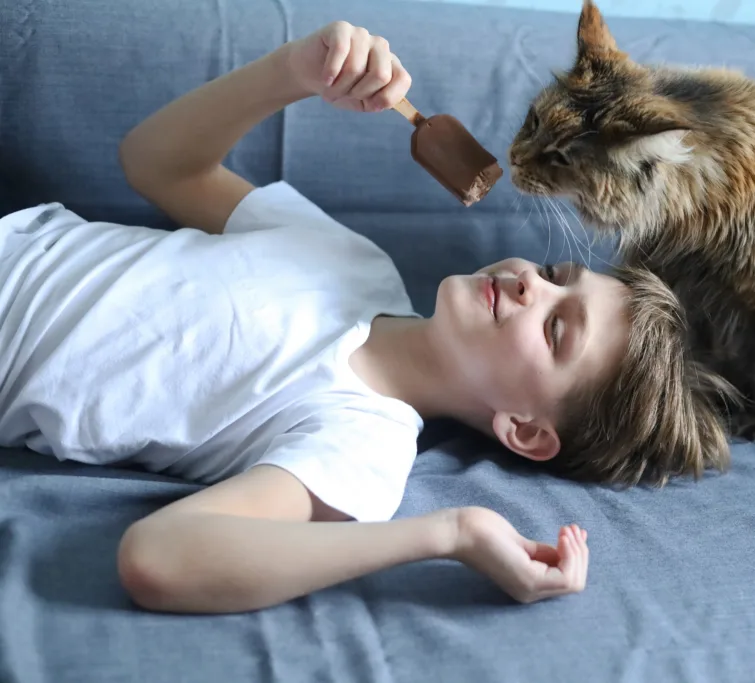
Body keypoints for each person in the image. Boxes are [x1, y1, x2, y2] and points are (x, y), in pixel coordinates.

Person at [0, 21, 697, 614]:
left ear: (523, 428)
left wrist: (451, 532)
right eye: (552, 275)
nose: (528, 286)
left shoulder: (362, 449)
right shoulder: (356, 260)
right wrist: (291, 72)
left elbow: (156, 555)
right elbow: (157, 166)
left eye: (555, 329)